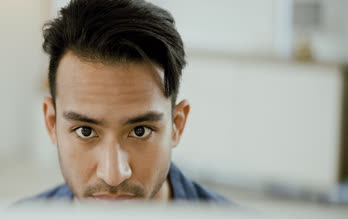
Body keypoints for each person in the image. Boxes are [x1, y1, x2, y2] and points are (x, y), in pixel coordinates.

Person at [17, 0, 230, 203]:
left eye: (140, 131)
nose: (114, 175)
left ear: (177, 124)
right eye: (85, 131)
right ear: (51, 123)